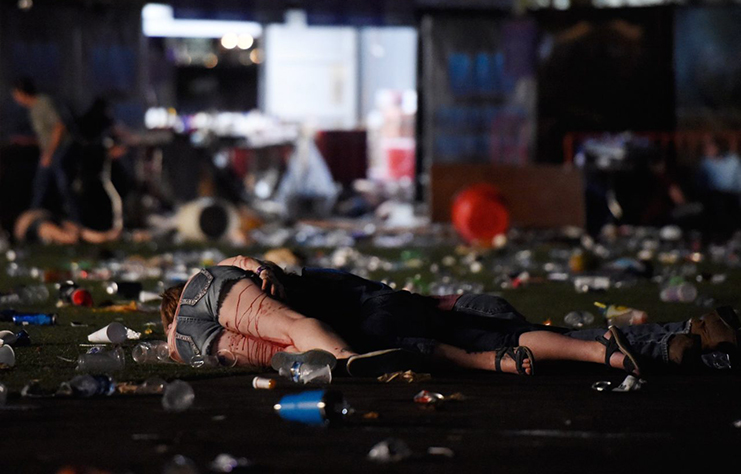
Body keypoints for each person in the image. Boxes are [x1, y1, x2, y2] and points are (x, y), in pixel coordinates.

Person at [160, 255, 740, 377]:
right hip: (408, 313)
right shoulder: (305, 282)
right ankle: (678, 337)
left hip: (403, 328)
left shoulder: (220, 321)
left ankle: (678, 340)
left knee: (521, 344)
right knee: (537, 335)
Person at [11, 78, 80, 222]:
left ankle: (75, 220)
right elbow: (45, 134)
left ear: (22, 93)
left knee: (63, 186)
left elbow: (59, 127)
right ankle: (33, 219)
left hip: (59, 150)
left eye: (16, 95)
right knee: (40, 185)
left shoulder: (43, 103)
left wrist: (49, 153)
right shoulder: (33, 109)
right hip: (49, 151)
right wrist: (28, 141)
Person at [13, 209, 120, 245]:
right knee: (73, 235)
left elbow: (78, 232)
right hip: (34, 224)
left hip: (38, 217)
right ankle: (107, 236)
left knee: (78, 232)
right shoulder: (44, 227)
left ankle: (107, 236)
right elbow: (71, 238)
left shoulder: (54, 221)